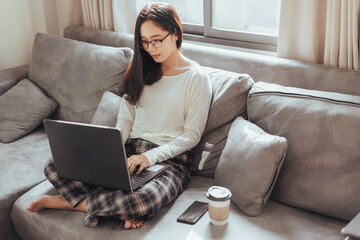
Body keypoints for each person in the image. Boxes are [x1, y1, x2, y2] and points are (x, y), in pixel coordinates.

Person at [26, 2, 212, 230]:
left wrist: (149, 158)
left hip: (169, 162)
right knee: (55, 164)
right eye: (144, 42)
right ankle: (115, 203)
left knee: (143, 201)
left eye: (157, 40)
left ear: (175, 33)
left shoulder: (197, 78)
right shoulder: (140, 70)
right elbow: (124, 124)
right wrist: (106, 156)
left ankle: (68, 203)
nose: (151, 48)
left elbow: (191, 136)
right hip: (129, 152)